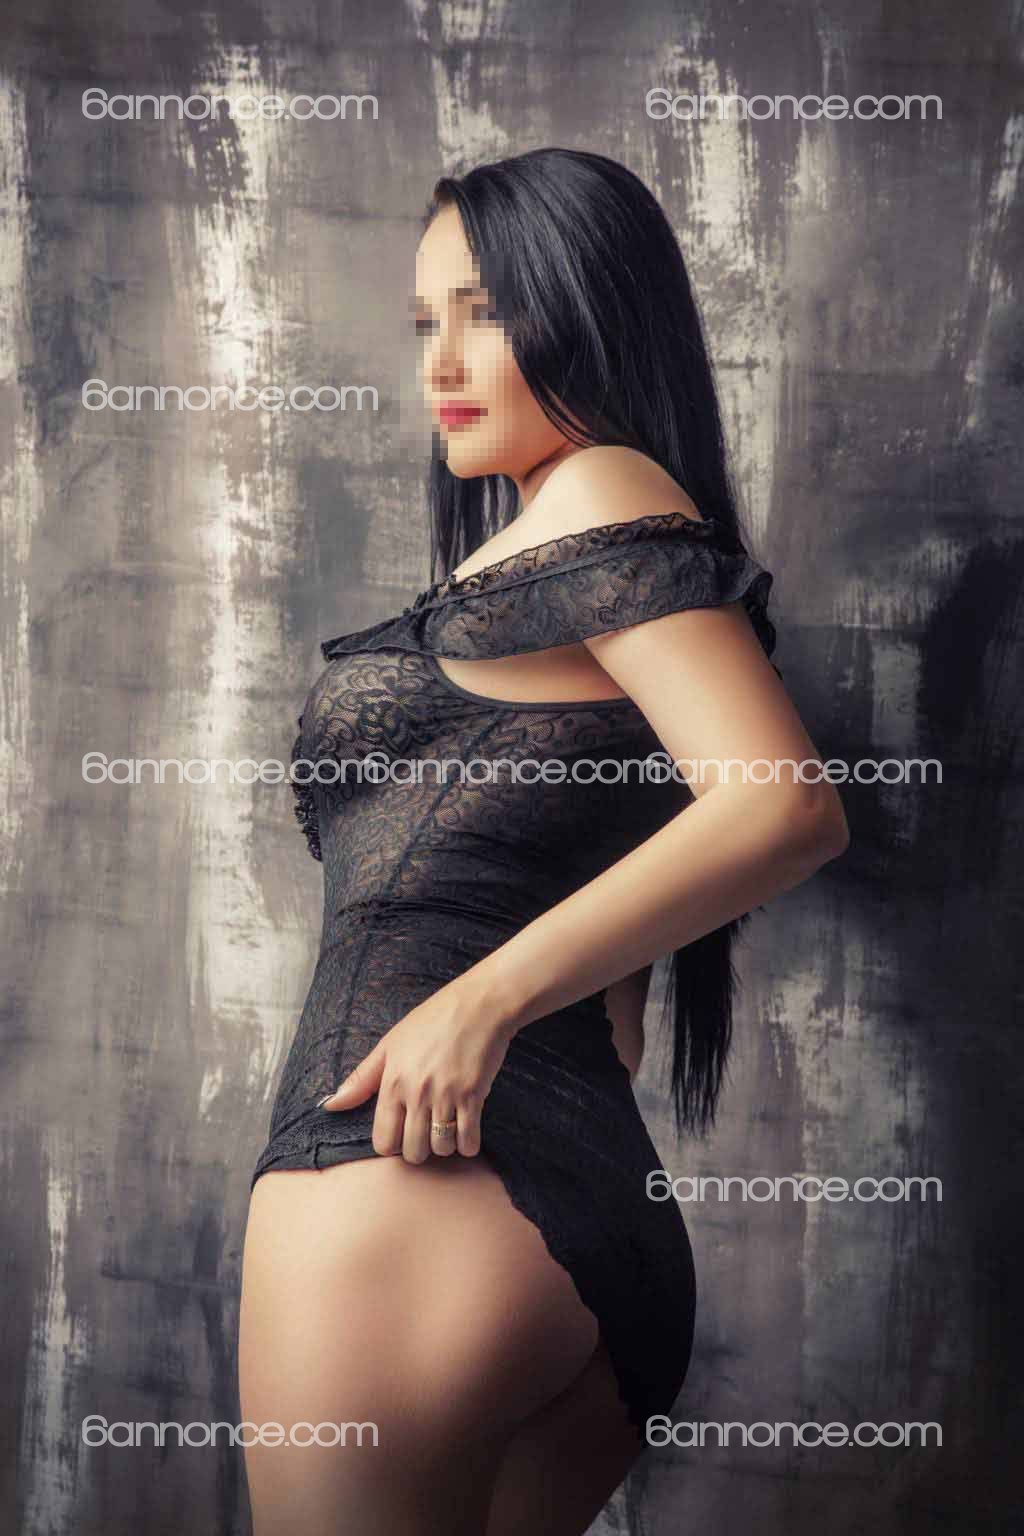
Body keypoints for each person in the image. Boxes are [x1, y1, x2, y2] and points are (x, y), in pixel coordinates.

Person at [238, 147, 849, 1536]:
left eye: (489, 313)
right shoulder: (581, 543)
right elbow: (620, 1003)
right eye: (425, 323)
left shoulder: (603, 496)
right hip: (580, 1215)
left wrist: (481, 1001)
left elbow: (783, 802)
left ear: (591, 312)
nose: (443, 363)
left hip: (407, 1190)